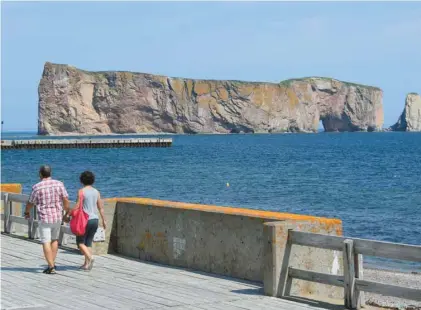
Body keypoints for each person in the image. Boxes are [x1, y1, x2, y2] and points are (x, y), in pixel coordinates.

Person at [24, 165, 70, 275]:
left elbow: (31, 202)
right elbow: (66, 200)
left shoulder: (37, 187)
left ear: (40, 174)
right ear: (50, 173)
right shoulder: (59, 184)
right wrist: (66, 213)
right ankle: (52, 263)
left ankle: (51, 266)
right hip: (57, 216)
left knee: (46, 241)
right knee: (54, 240)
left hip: (44, 217)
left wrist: (26, 212)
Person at [67, 171, 107, 271]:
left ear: (81, 180)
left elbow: (77, 206)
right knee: (88, 242)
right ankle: (86, 264)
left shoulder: (81, 191)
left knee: (80, 242)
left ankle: (90, 257)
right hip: (95, 219)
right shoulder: (96, 191)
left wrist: (68, 213)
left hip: (84, 220)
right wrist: (104, 220)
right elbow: (101, 208)